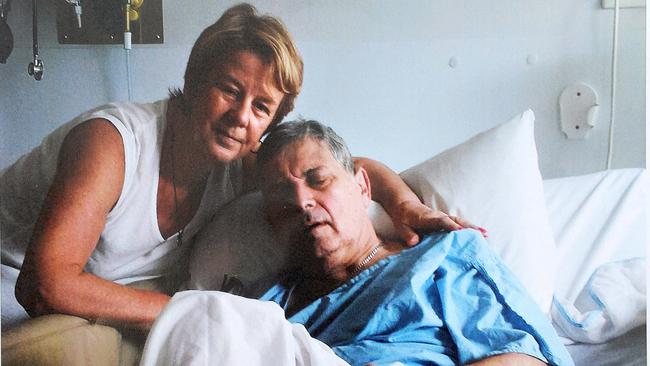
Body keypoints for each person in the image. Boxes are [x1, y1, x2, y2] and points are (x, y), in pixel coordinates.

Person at [0, 4, 471, 331]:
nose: (241, 116)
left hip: (94, 309)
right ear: (193, 79)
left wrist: (406, 207)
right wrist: (195, 310)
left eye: (262, 107)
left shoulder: (236, 159)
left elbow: (341, 171)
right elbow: (44, 285)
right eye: (228, 88)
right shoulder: (111, 143)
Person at [138, 120, 573, 366]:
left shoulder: (442, 260)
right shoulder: (268, 304)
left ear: (363, 187)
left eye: (318, 181)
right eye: (284, 199)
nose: (304, 203)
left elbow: (516, 359)